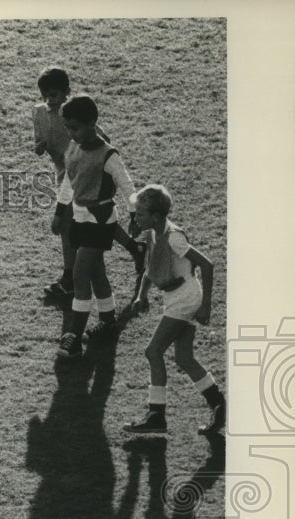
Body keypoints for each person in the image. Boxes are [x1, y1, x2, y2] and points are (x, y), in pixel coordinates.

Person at [34, 68, 146, 302]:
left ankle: (69, 279)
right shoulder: (40, 113)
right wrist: (40, 146)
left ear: (66, 93)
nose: (49, 101)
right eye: (45, 96)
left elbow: (104, 141)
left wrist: (95, 161)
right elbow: (40, 139)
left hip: (86, 176)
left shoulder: (78, 113)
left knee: (74, 225)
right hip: (65, 174)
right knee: (93, 219)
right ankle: (135, 249)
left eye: (54, 95)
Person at [122, 185, 225, 435]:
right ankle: (220, 406)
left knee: (153, 351)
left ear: (156, 216)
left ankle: (156, 416)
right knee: (184, 358)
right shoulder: (154, 233)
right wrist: (141, 296)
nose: (136, 217)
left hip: (185, 299)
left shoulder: (173, 237)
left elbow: (207, 265)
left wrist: (206, 307)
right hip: (178, 297)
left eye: (141, 213)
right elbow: (151, 269)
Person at [52, 94, 137, 358]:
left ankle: (74, 337)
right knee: (96, 273)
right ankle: (108, 321)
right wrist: (59, 212)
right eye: (67, 127)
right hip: (79, 218)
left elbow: (126, 185)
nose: (70, 132)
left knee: (80, 276)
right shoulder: (74, 147)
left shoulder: (108, 155)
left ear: (92, 123)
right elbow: (69, 180)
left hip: (100, 221)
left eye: (74, 127)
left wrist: (134, 214)